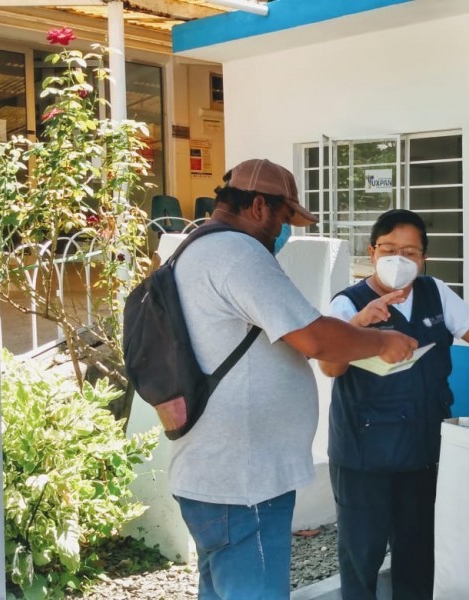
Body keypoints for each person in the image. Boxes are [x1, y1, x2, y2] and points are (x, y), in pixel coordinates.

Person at [169, 159, 418, 599]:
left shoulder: (198, 248)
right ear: (260, 206)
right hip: (245, 482)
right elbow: (316, 338)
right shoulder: (238, 254)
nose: (285, 232)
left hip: (217, 473)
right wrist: (381, 343)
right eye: (285, 219)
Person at [318, 209, 469, 599]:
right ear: (371, 252)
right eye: (388, 249)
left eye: (409, 251)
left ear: (423, 258)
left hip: (422, 448)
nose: (398, 259)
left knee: (418, 548)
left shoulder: (434, 291)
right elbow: (330, 367)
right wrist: (357, 324)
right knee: (363, 553)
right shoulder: (347, 303)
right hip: (364, 454)